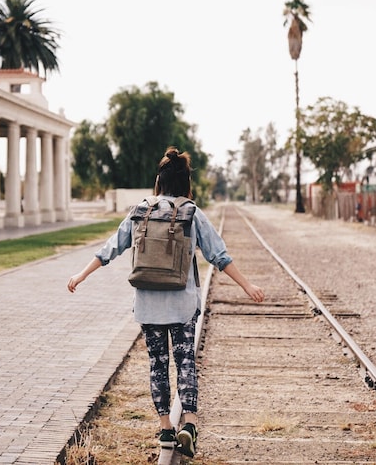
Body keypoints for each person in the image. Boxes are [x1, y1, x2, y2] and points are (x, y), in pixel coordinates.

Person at [67, 146, 265, 458]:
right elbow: (220, 256)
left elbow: (110, 249)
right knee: (185, 362)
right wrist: (247, 285)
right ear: (187, 183)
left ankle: (165, 430)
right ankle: (188, 424)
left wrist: (81, 274)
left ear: (159, 183)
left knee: (157, 366)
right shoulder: (192, 213)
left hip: (148, 305)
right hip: (182, 306)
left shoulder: (140, 211)